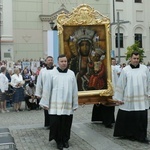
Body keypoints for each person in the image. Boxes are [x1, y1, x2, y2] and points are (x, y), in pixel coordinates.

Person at [39, 54, 78, 150]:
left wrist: (75, 103)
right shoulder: (52, 73)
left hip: (67, 104)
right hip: (55, 104)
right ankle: (58, 141)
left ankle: (65, 140)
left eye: (65, 61)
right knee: (56, 123)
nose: (64, 63)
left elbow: (74, 89)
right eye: (62, 61)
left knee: (66, 123)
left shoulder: (71, 73)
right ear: (58, 62)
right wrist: (45, 103)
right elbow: (47, 88)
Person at [113, 51, 150, 143]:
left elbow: (149, 82)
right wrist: (118, 98)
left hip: (142, 99)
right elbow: (121, 84)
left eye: (137, 58)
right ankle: (130, 134)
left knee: (141, 118)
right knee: (130, 117)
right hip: (129, 98)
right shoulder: (125, 70)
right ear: (130, 59)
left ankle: (142, 136)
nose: (136, 60)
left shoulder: (145, 69)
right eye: (134, 58)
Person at [91, 58, 118, 128]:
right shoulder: (100, 65)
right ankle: (99, 118)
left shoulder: (112, 68)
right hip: (101, 87)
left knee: (109, 104)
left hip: (110, 88)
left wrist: (115, 89)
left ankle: (108, 121)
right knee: (100, 103)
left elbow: (115, 78)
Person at [35, 56, 54, 128]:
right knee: (46, 108)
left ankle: (53, 124)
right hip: (45, 92)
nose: (50, 61)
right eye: (49, 60)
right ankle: (47, 123)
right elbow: (39, 82)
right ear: (46, 62)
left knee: (53, 109)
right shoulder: (42, 71)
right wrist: (38, 93)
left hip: (54, 92)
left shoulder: (56, 70)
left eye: (51, 60)